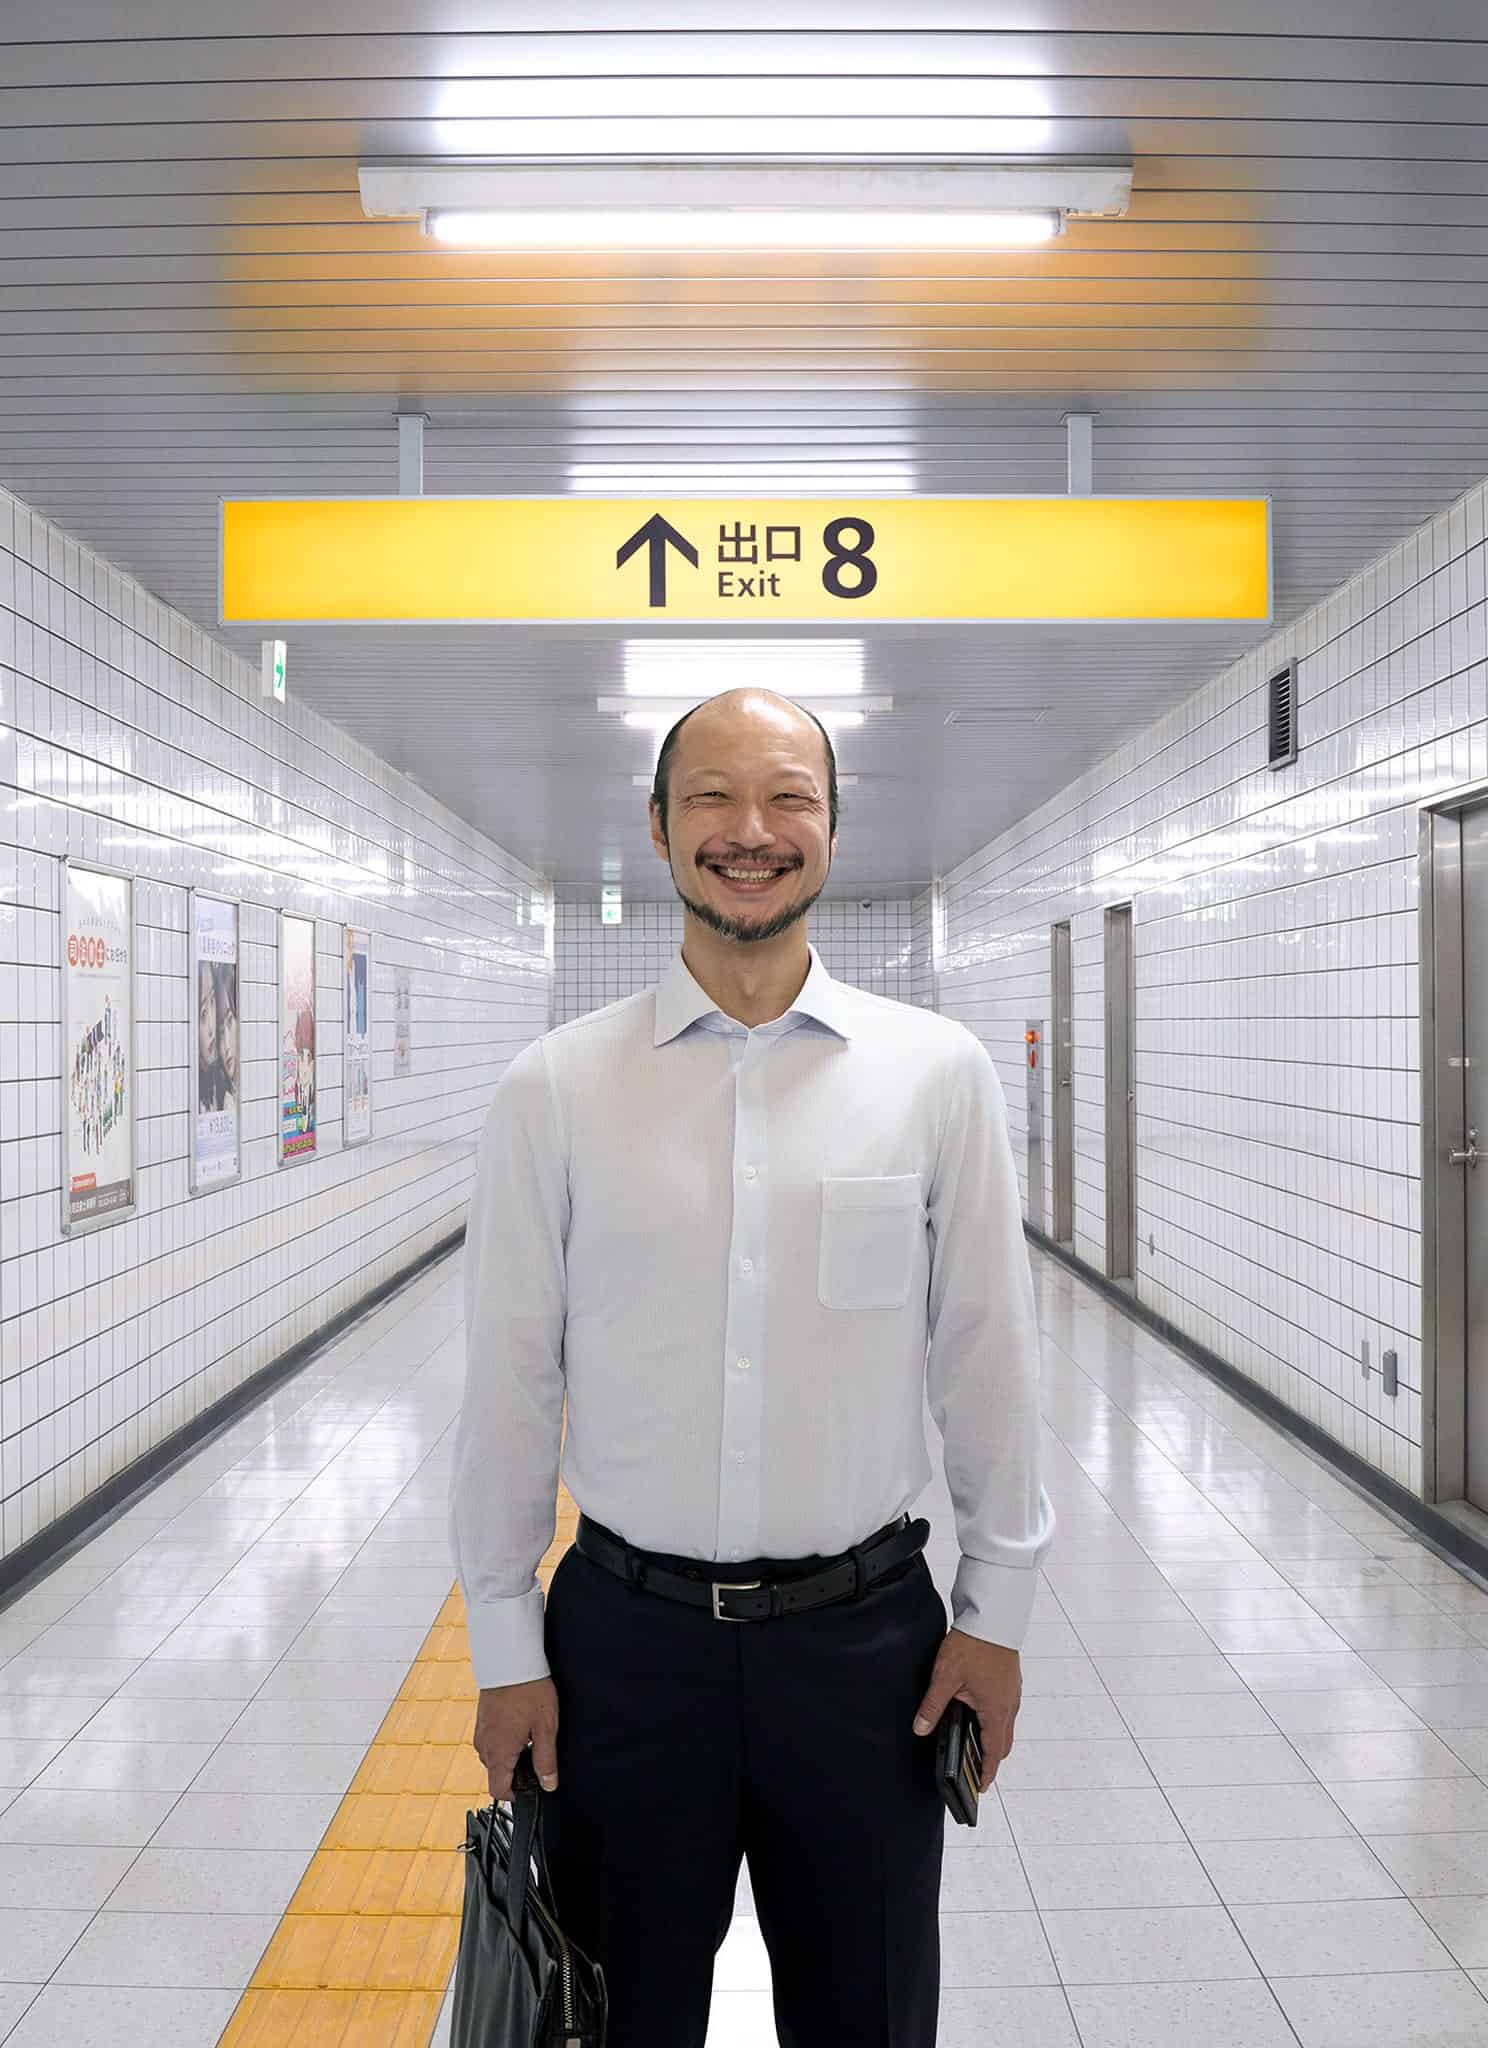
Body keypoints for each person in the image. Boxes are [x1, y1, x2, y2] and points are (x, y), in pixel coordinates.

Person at [451, 688, 1054, 2048]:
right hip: (623, 1654)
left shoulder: (936, 1075)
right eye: (712, 798)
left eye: (789, 797)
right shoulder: (556, 1089)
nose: (751, 830)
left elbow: (989, 1357)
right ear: (659, 828)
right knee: (612, 2019)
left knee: (867, 2018)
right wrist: (504, 1644)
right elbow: (509, 1383)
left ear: (834, 826)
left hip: (868, 1656)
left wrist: (996, 1612)